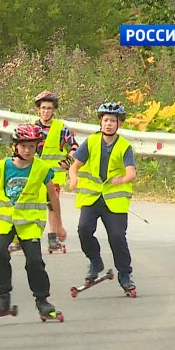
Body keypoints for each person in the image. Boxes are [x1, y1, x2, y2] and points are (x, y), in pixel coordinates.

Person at [0, 124, 66, 319]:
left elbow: (53, 198)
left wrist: (59, 225)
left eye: (32, 146)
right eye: (23, 146)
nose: (28, 151)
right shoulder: (0, 167)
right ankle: (3, 296)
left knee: (35, 261)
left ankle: (42, 300)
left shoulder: (41, 169)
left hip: (29, 223)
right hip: (5, 221)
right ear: (15, 146)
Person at [68, 102, 137, 291]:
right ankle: (95, 261)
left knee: (117, 237)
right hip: (92, 197)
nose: (108, 124)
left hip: (114, 201)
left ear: (119, 124)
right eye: (105, 120)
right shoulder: (91, 142)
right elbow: (75, 166)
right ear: (100, 122)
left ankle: (125, 275)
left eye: (112, 121)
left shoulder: (124, 146)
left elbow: (131, 173)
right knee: (83, 230)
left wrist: (121, 179)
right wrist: (73, 178)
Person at [32, 90, 79, 252]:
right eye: (43, 108)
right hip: (35, 174)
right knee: (30, 204)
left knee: (52, 205)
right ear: (38, 109)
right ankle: (25, 235)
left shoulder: (61, 128)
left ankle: (52, 237)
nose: (46, 111)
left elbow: (74, 147)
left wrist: (68, 161)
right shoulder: (32, 128)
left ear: (54, 110)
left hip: (54, 176)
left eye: (49, 108)